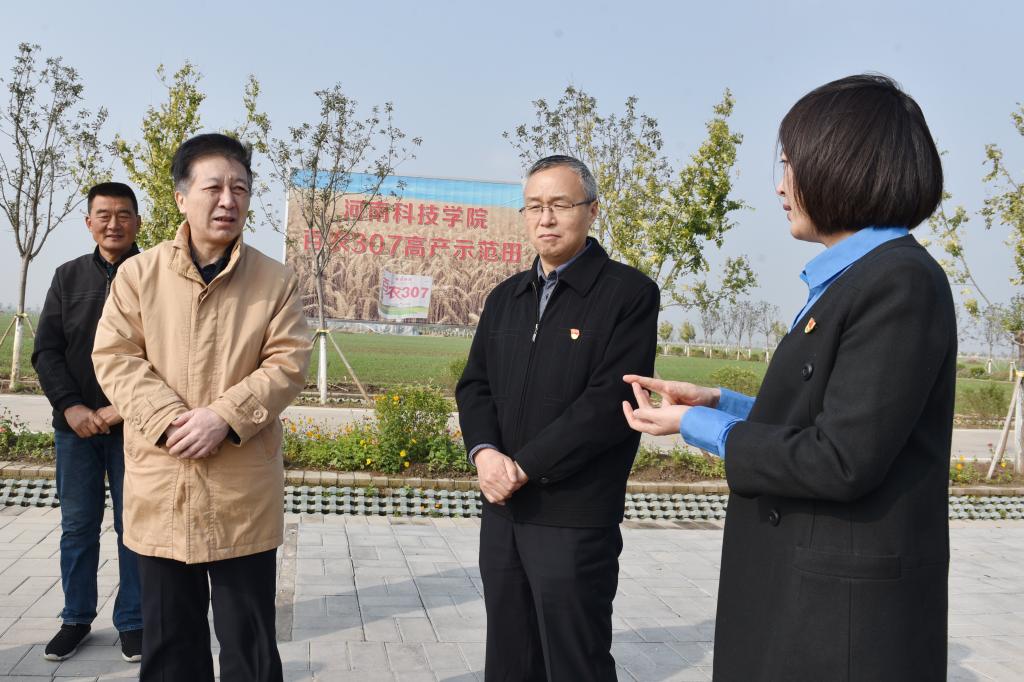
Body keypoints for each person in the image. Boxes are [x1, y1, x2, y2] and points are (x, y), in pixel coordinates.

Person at [623, 74, 954, 681]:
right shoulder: (854, 278)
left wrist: (699, 425)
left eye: (791, 165)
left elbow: (841, 458)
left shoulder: (899, 282)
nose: (781, 186)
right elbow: (828, 415)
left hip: (842, 618)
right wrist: (720, 402)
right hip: (807, 595)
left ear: (845, 164)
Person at [92, 133, 312, 682]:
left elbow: (288, 363)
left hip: (241, 492)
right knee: (170, 647)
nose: (228, 201)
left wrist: (224, 417)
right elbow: (115, 356)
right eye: (213, 187)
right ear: (181, 197)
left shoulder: (275, 281)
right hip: (163, 484)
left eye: (240, 188)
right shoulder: (138, 276)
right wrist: (167, 420)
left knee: (250, 647)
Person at [456, 154, 660, 680]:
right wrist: (485, 455)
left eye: (560, 205)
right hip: (503, 514)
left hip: (573, 518)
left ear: (592, 210)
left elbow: (608, 404)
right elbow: (475, 386)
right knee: (508, 660)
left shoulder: (628, 295)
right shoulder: (505, 298)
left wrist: (524, 466)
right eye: (534, 206)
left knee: (574, 662)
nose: (545, 218)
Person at [31, 182, 144, 663]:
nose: (113, 224)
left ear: (138, 221)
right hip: (74, 428)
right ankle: (76, 618)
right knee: (77, 527)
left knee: (134, 528)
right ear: (89, 222)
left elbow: (167, 353)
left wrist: (125, 408)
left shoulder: (154, 275)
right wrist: (72, 407)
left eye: (123, 214)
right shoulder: (68, 276)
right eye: (104, 215)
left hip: (134, 426)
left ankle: (134, 621)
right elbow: (46, 350)